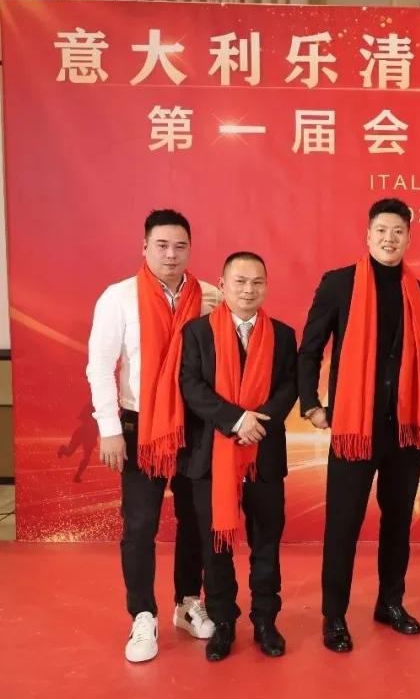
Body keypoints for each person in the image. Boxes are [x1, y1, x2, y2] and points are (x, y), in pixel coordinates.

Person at [298, 197, 420, 651]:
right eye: (382, 230)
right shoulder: (339, 284)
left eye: (398, 231)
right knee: (343, 525)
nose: (389, 239)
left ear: (409, 238)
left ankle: (390, 603)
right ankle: (334, 616)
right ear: (368, 235)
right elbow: (310, 348)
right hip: (354, 429)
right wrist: (312, 405)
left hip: (405, 430)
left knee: (398, 524)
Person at [86, 209, 219, 662]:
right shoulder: (119, 297)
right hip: (140, 425)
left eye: (180, 246)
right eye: (161, 245)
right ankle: (143, 614)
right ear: (144, 248)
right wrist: (109, 429)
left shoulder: (209, 297)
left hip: (194, 423)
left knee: (194, 519)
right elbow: (99, 366)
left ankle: (187, 602)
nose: (171, 254)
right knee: (140, 525)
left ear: (190, 249)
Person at [178, 252, 297, 661]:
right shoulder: (197, 332)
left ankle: (265, 620)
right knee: (216, 544)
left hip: (264, 454)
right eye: (240, 282)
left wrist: (256, 424)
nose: (249, 290)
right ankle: (223, 621)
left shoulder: (283, 335)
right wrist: (236, 420)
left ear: (266, 285)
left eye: (257, 282)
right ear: (222, 285)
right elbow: (191, 386)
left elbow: (288, 387)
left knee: (266, 541)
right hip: (211, 456)